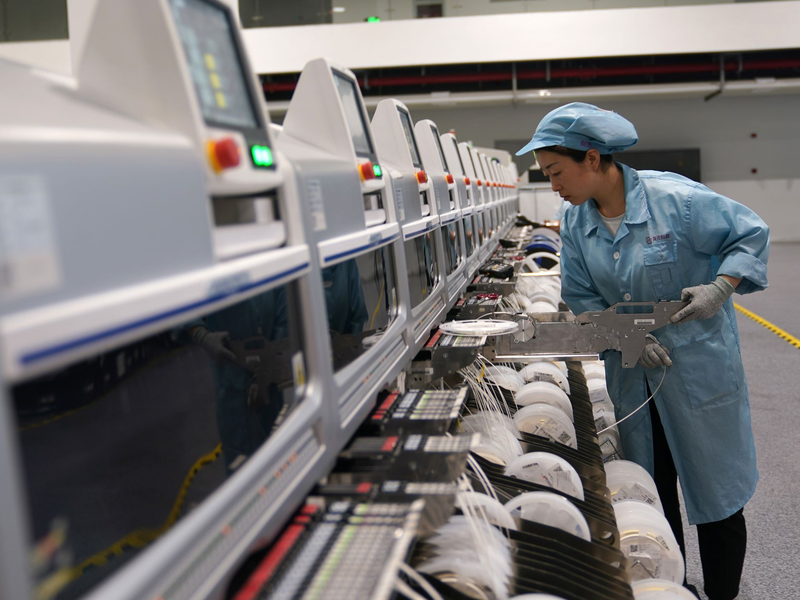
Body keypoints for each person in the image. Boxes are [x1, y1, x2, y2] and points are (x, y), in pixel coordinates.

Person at [516, 102, 770, 600]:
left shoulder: (677, 199)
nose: (553, 185)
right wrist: (626, 336)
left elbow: (750, 234)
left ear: (592, 159)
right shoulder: (575, 223)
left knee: (716, 495)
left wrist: (721, 287)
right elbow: (583, 299)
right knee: (649, 490)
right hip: (634, 371)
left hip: (696, 370)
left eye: (556, 171)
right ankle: (670, 586)